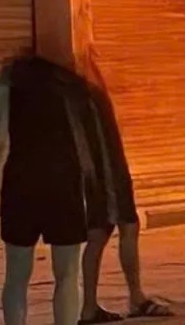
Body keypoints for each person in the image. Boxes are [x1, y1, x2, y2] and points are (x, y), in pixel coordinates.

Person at [0, 55, 93, 325]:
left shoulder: (11, 77)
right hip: (65, 181)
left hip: (22, 181)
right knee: (67, 274)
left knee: (16, 276)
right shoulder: (71, 78)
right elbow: (87, 139)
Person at [75, 53, 172, 323]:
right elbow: (82, 137)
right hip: (106, 173)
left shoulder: (87, 89)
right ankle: (131, 298)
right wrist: (92, 172)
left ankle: (95, 306)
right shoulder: (80, 93)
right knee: (117, 228)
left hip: (109, 170)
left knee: (108, 231)